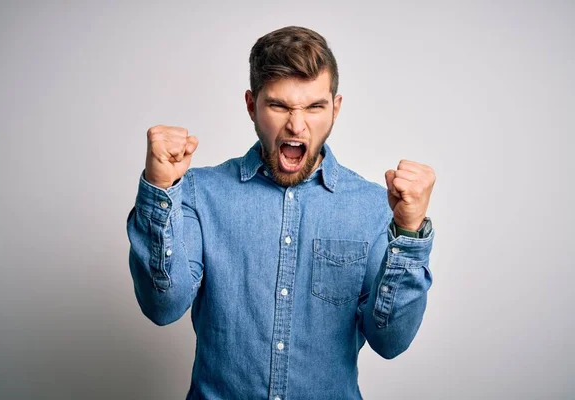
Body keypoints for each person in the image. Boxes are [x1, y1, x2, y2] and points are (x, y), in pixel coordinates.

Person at [126, 25, 436, 400]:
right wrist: (159, 190)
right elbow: (162, 307)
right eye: (279, 105)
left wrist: (409, 233)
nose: (297, 124)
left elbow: (391, 342)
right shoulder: (198, 192)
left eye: (314, 106)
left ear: (335, 109)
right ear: (251, 105)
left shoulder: (374, 207)